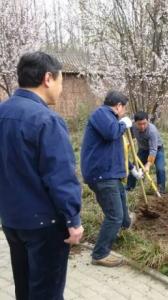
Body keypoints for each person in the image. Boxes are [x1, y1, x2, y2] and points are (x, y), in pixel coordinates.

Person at [0, 51, 83, 300]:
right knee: (46, 293)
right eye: (61, 81)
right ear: (48, 78)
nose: (61, 89)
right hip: (45, 225)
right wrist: (73, 220)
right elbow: (60, 177)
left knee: (24, 290)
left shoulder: (3, 114)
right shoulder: (46, 120)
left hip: (12, 221)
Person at [81, 90, 142, 267]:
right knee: (114, 215)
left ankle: (125, 225)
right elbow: (110, 133)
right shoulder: (102, 114)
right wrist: (123, 124)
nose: (124, 113)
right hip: (102, 175)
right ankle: (100, 253)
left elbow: (118, 151)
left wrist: (131, 168)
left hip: (111, 175)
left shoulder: (110, 120)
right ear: (118, 106)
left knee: (122, 209)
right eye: (124, 109)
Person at [126, 111, 166, 194]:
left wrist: (148, 165)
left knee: (160, 169)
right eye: (139, 124)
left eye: (144, 123)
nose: (142, 126)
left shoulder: (152, 131)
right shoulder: (132, 126)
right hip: (142, 150)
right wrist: (130, 141)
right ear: (135, 122)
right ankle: (129, 187)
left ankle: (161, 190)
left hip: (157, 150)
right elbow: (130, 134)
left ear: (148, 121)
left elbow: (153, 150)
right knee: (134, 167)